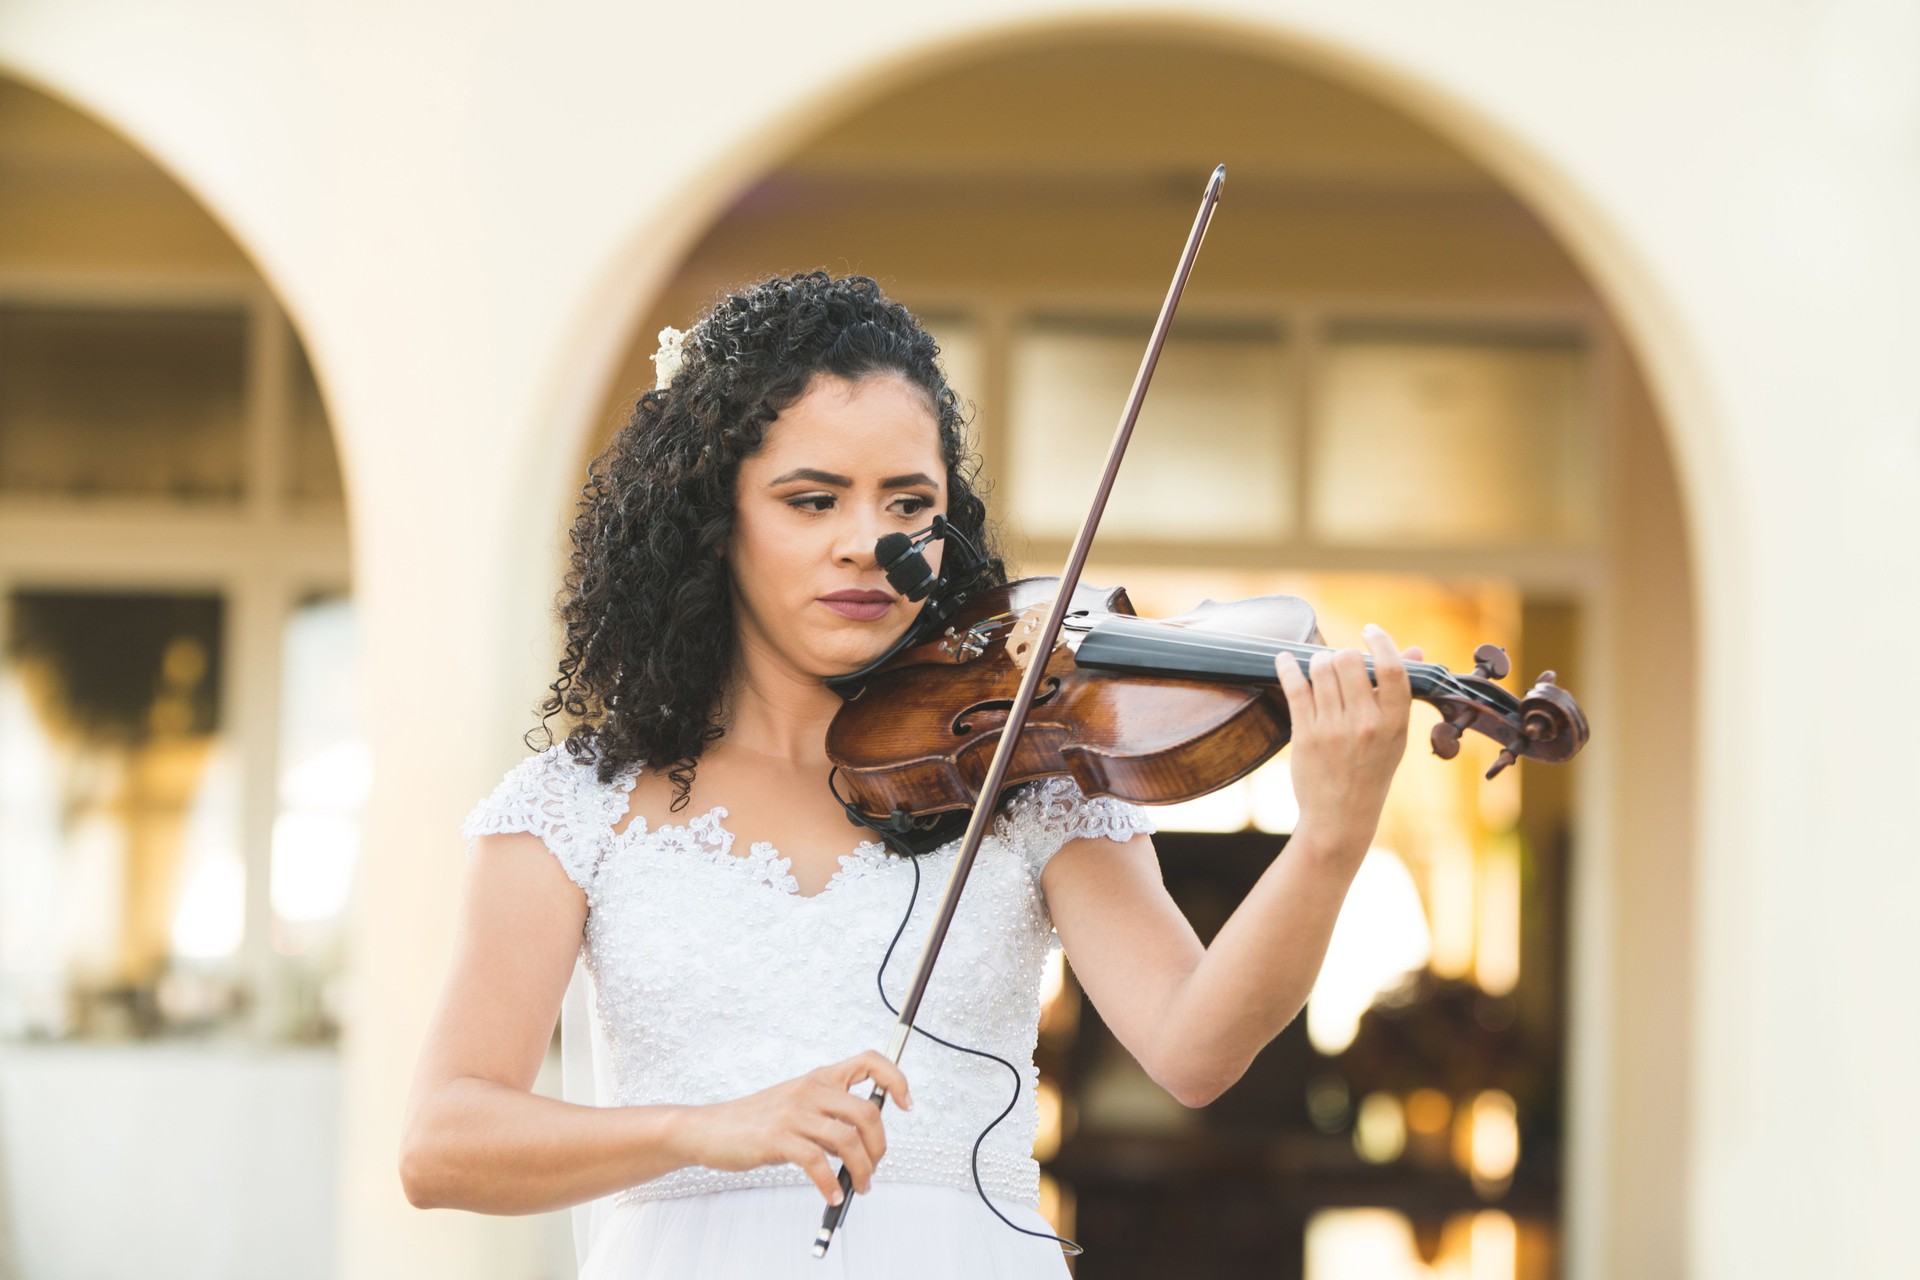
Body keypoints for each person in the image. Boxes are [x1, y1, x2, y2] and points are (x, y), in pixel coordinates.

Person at [399, 272, 1420, 1278]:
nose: (868, 544)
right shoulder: (579, 806)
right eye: (812, 499)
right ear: (712, 520)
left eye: (908, 502)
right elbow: (442, 1140)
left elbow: (1196, 1049)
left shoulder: (1020, 772)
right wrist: (706, 1127)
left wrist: (1330, 840)